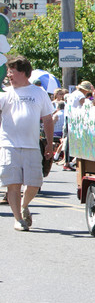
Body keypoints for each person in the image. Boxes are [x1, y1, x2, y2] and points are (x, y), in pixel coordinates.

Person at [0, 56, 54, 231]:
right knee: (13, 184)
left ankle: (24, 205)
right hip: (9, 145)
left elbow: (47, 119)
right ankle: (18, 220)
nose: (9, 75)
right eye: (8, 71)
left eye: (12, 71)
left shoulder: (39, 93)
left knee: (35, 183)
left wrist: (49, 144)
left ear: (23, 72)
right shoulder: (6, 94)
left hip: (32, 145)